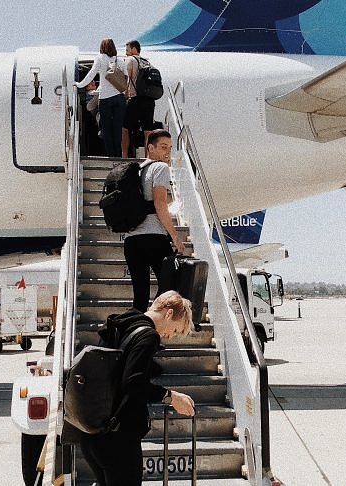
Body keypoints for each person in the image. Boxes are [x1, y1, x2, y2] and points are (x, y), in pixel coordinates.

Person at [80, 290, 195, 486]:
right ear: (168, 313)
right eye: (175, 330)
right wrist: (171, 396)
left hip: (93, 433)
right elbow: (133, 382)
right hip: (117, 439)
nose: (170, 336)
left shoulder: (123, 323)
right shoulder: (148, 336)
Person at [123, 129, 186, 311]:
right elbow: (160, 203)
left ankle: (139, 325)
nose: (168, 152)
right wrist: (174, 236)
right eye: (163, 147)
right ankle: (153, 319)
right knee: (171, 287)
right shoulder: (160, 168)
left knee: (140, 296)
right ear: (150, 148)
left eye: (170, 148)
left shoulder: (136, 171)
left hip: (132, 240)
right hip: (154, 238)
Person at [76, 38, 127, 157]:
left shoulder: (100, 58)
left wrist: (80, 84)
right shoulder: (119, 59)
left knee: (106, 129)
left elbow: (91, 74)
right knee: (117, 128)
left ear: (102, 47)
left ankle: (111, 156)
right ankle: (118, 156)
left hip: (105, 98)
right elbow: (126, 76)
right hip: (119, 98)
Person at [121, 40, 156, 157]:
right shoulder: (147, 62)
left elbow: (127, 79)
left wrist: (125, 94)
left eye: (127, 50)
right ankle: (147, 158)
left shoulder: (130, 60)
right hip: (149, 100)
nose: (126, 53)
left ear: (134, 49)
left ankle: (124, 156)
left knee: (125, 129)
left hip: (135, 100)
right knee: (148, 132)